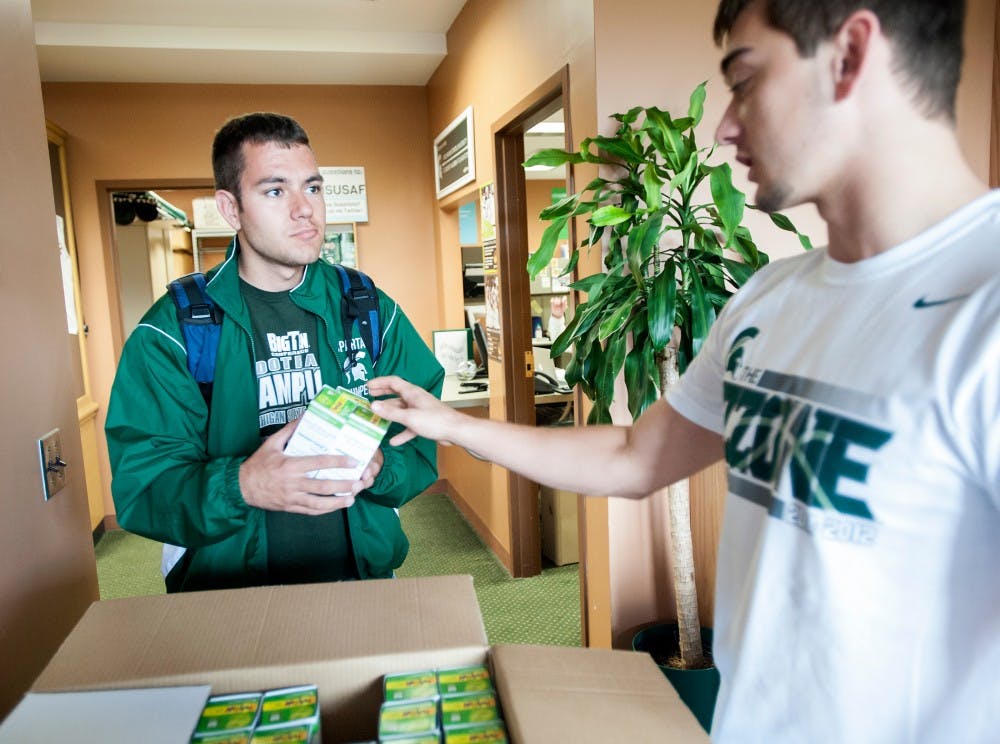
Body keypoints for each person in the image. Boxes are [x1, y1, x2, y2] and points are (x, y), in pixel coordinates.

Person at [368, 1, 999, 741]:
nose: (726, 126)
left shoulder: (983, 307)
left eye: (745, 79)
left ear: (851, 54)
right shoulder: (770, 297)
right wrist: (447, 425)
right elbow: (638, 456)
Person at [106, 112, 444, 593]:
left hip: (362, 580)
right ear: (231, 208)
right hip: (226, 595)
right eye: (274, 191)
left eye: (312, 187)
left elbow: (420, 433)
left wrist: (382, 468)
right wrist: (242, 485)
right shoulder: (174, 331)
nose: (304, 208)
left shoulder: (366, 307)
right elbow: (144, 486)